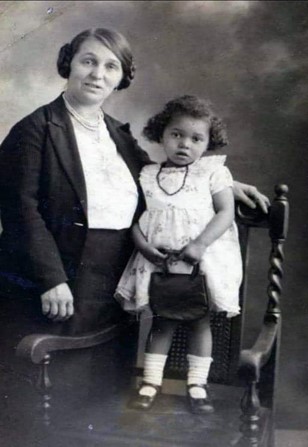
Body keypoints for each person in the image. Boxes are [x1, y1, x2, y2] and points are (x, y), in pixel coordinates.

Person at [0, 28, 269, 337]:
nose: (97, 74)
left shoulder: (118, 134)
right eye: (88, 61)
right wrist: (51, 280)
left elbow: (156, 177)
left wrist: (221, 184)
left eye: (111, 66)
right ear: (69, 63)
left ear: (121, 77)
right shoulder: (35, 129)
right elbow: (20, 210)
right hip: (57, 285)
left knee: (109, 381)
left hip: (113, 286)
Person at [114, 95, 243, 414]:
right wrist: (146, 249)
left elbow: (225, 212)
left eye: (196, 138)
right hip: (158, 262)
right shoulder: (146, 175)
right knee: (162, 322)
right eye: (177, 135)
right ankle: (151, 382)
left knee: (199, 320)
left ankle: (197, 384)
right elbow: (132, 218)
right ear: (162, 133)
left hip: (199, 262)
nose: (185, 144)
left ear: (208, 142)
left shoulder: (213, 172)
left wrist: (197, 247)